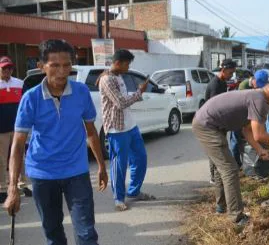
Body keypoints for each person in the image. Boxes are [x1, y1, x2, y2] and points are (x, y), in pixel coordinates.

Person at [4, 39, 108, 245]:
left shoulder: (81, 92)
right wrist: (13, 188)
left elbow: (91, 132)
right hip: (43, 174)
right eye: (55, 65)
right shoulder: (30, 99)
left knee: (87, 233)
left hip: (76, 172)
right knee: (53, 234)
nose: (62, 71)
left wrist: (102, 166)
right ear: (41, 66)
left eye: (67, 65)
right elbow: (17, 144)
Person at [192, 78, 269, 225]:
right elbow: (260, 135)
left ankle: (221, 206)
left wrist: (259, 149)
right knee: (230, 169)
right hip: (207, 126)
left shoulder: (257, 97)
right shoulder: (260, 100)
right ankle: (237, 218)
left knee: (222, 167)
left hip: (210, 123)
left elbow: (247, 130)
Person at [98, 49, 154, 211]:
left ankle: (134, 192)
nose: (128, 68)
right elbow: (121, 102)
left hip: (130, 125)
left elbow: (123, 98)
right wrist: (139, 92)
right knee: (119, 165)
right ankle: (118, 198)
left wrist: (137, 93)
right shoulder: (106, 80)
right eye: (127, 64)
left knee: (140, 159)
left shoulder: (118, 76)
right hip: (117, 129)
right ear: (118, 63)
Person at [0, 56, 32, 203]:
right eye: (3, 68)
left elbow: (26, 104)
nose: (6, 71)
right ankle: (2, 188)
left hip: (19, 129)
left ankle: (23, 184)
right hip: (2, 130)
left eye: (9, 68)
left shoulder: (20, 84)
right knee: (2, 160)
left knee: (21, 157)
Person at [205, 59, 237, 184]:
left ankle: (218, 174)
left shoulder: (223, 82)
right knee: (215, 149)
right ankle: (214, 177)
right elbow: (213, 108)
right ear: (223, 70)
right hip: (212, 123)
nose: (231, 76)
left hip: (220, 123)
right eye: (230, 73)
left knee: (221, 148)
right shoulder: (215, 84)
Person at [230, 69, 269, 167]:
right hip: (237, 118)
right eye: (258, 84)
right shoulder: (243, 86)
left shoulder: (258, 88)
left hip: (249, 119)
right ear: (253, 79)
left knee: (249, 140)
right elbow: (244, 106)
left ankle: (249, 163)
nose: (258, 87)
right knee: (236, 142)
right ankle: (237, 164)